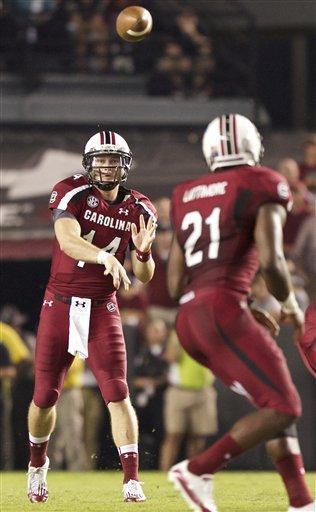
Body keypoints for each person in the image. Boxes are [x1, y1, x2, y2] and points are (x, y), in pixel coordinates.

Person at [167, 114, 314, 512]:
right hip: (222, 311)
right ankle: (198, 469)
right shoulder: (262, 183)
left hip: (189, 319)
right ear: (253, 145)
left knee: (274, 403)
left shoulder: (185, 193)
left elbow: (175, 282)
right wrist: (288, 305)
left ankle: (301, 502)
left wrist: (241, 307)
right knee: (286, 407)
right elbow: (272, 260)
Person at [27, 130, 157, 503]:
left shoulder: (140, 207)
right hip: (61, 304)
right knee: (46, 395)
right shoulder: (71, 192)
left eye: (113, 160)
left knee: (117, 391)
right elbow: (67, 240)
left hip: (103, 307)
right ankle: (37, 466)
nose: (106, 166)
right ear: (88, 164)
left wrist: (144, 255)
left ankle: (132, 480)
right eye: (100, 159)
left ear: (125, 165)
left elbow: (144, 277)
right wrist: (105, 256)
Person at [159, 330, 218, 471]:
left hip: (203, 390)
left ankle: (192, 474)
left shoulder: (211, 334)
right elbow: (171, 357)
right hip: (179, 390)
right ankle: (164, 473)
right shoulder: (179, 333)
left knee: (198, 436)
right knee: (174, 434)